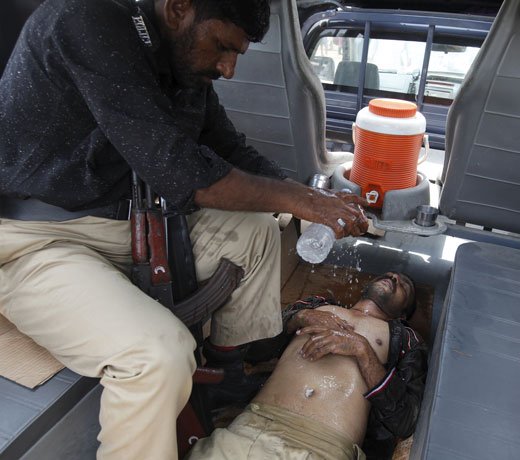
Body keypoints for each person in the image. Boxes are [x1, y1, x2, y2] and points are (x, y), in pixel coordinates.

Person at [0, 0, 368, 459]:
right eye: (222, 47)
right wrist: (303, 200)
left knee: (255, 228)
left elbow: (228, 149)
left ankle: (229, 376)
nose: (229, 69)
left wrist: (311, 200)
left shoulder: (179, 64)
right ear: (178, 9)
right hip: (38, 239)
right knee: (157, 358)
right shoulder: (86, 19)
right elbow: (181, 171)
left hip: (129, 223)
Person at [187, 272, 429, 460]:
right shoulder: (316, 305)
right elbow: (254, 351)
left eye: (404, 286)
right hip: (252, 427)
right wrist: (296, 319)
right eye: (389, 275)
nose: (394, 278)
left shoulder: (405, 339)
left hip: (322, 445)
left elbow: (404, 420)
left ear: (403, 314)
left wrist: (363, 350)